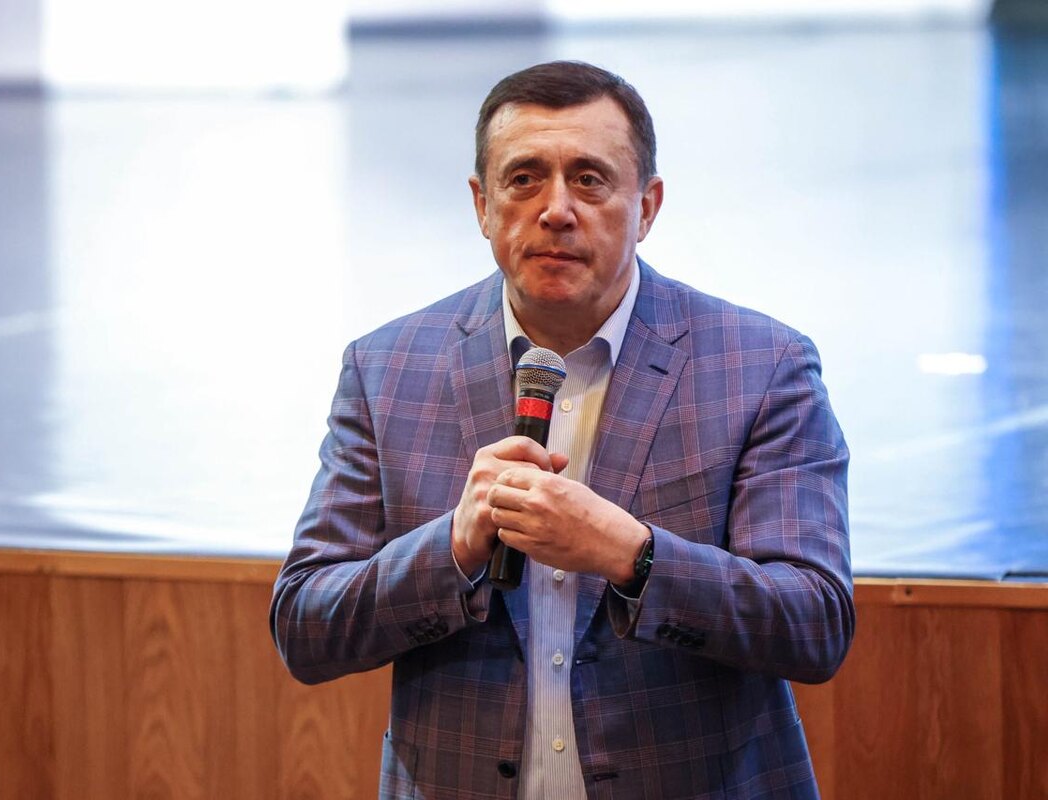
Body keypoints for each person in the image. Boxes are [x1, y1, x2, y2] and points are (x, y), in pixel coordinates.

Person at [271, 60, 852, 800]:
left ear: (647, 206)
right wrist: (453, 547)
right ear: (482, 205)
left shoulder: (760, 365)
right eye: (523, 179)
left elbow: (814, 623)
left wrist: (633, 555)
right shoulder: (386, 368)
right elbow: (306, 627)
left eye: (589, 179)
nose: (555, 210)